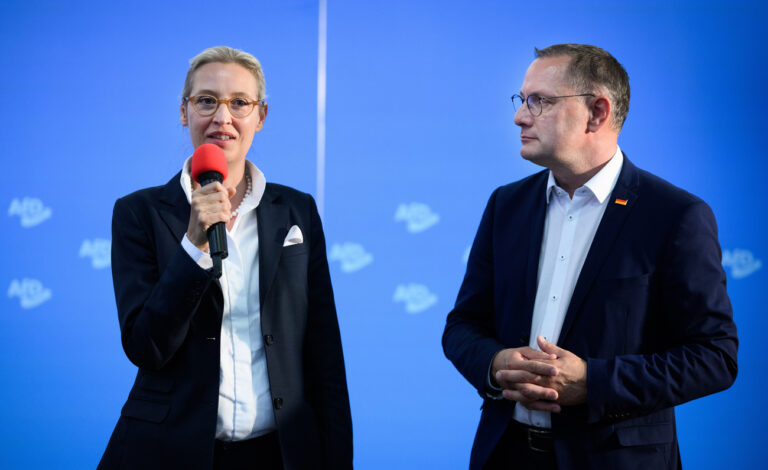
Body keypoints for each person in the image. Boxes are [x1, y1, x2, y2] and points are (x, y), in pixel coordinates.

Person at [442, 44, 738, 470]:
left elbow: (715, 357)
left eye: (538, 101)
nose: (519, 116)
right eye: (521, 100)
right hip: (506, 454)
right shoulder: (506, 205)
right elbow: (463, 326)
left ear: (597, 113)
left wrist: (594, 383)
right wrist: (495, 364)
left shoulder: (675, 216)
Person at [99, 46, 352, 470]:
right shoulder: (139, 213)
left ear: (261, 116)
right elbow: (146, 346)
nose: (223, 117)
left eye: (239, 103)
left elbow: (324, 352)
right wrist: (193, 246)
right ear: (184, 112)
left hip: (278, 453)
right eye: (206, 101)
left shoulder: (296, 211)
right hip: (169, 449)